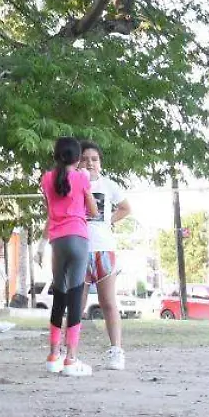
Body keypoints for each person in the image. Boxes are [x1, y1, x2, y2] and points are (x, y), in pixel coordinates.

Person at [40, 137, 100, 375]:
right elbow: (93, 210)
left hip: (57, 240)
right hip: (78, 238)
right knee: (76, 296)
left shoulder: (46, 179)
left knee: (60, 295)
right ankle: (71, 359)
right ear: (77, 158)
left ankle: (54, 354)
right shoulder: (82, 178)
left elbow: (50, 207)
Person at [80, 140, 132, 370]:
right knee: (76, 304)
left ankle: (116, 351)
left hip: (103, 248)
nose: (90, 163)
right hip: (78, 248)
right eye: (85, 158)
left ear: (100, 162)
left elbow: (126, 208)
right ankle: (69, 350)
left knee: (108, 302)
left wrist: (108, 221)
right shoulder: (72, 183)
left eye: (94, 159)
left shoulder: (109, 185)